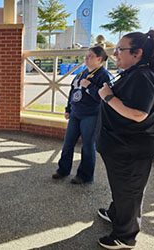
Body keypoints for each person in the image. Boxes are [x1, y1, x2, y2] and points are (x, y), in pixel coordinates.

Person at [96, 30, 154, 249]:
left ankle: (125, 236)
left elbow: (138, 114)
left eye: (120, 49)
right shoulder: (133, 73)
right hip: (121, 147)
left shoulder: (143, 77)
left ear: (137, 53)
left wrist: (108, 97)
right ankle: (117, 214)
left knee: (129, 193)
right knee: (121, 188)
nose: (115, 53)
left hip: (134, 150)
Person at [52, 46, 112, 184]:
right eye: (86, 55)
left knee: (87, 145)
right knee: (68, 143)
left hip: (91, 114)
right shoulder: (82, 73)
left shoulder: (104, 75)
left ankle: (85, 175)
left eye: (90, 56)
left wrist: (90, 86)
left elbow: (105, 98)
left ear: (99, 59)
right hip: (75, 113)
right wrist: (68, 108)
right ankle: (63, 170)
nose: (86, 58)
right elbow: (73, 92)